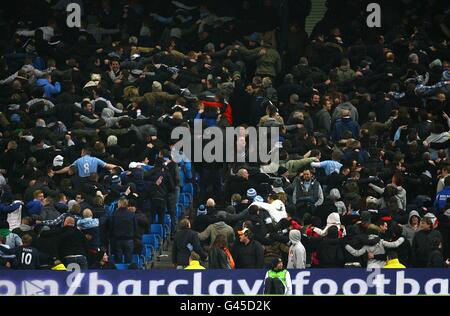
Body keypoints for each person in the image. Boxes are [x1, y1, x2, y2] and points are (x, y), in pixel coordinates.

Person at [109, 198, 136, 264]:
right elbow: (135, 227)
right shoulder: (132, 214)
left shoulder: (114, 214)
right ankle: (128, 274)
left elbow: (111, 227)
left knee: (118, 261)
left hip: (117, 240)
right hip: (129, 239)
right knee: (128, 260)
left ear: (119, 204)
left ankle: (118, 273)